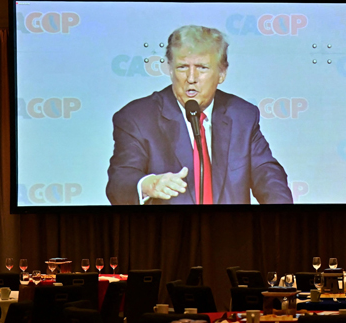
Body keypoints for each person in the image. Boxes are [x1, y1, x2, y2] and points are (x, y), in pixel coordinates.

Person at [106, 25, 293, 205]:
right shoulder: (136, 118)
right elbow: (120, 182)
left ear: (221, 73)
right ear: (170, 70)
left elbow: (266, 173)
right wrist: (147, 185)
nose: (191, 78)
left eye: (202, 67)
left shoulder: (242, 116)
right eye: (182, 67)